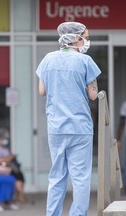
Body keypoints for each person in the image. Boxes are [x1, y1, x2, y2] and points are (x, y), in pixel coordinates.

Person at [36, 21, 101, 216]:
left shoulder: (47, 59)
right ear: (75, 38)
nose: (87, 41)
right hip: (80, 127)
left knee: (56, 176)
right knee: (80, 177)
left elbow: (42, 91)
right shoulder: (85, 61)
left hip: (56, 127)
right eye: (85, 37)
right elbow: (93, 95)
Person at [0, 127, 27, 203]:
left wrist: (10, 157)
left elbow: (8, 156)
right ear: (0, 137)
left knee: (19, 176)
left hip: (9, 166)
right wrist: (9, 157)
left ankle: (19, 196)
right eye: (4, 138)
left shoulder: (3, 146)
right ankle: (18, 196)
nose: (6, 140)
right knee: (14, 177)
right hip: (1, 168)